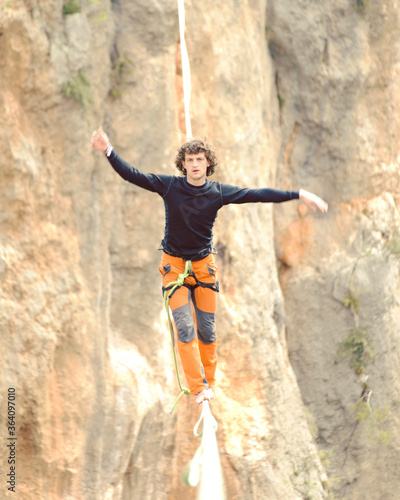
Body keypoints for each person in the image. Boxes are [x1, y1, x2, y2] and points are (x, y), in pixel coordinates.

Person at [91, 127, 328, 404]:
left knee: (207, 329)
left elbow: (259, 194)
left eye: (199, 159)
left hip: (204, 267)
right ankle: (199, 386)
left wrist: (299, 194)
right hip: (174, 267)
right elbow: (133, 175)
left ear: (208, 164)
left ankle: (209, 382)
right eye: (189, 160)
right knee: (184, 328)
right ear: (182, 164)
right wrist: (108, 150)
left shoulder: (218, 193)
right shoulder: (169, 186)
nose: (194, 164)